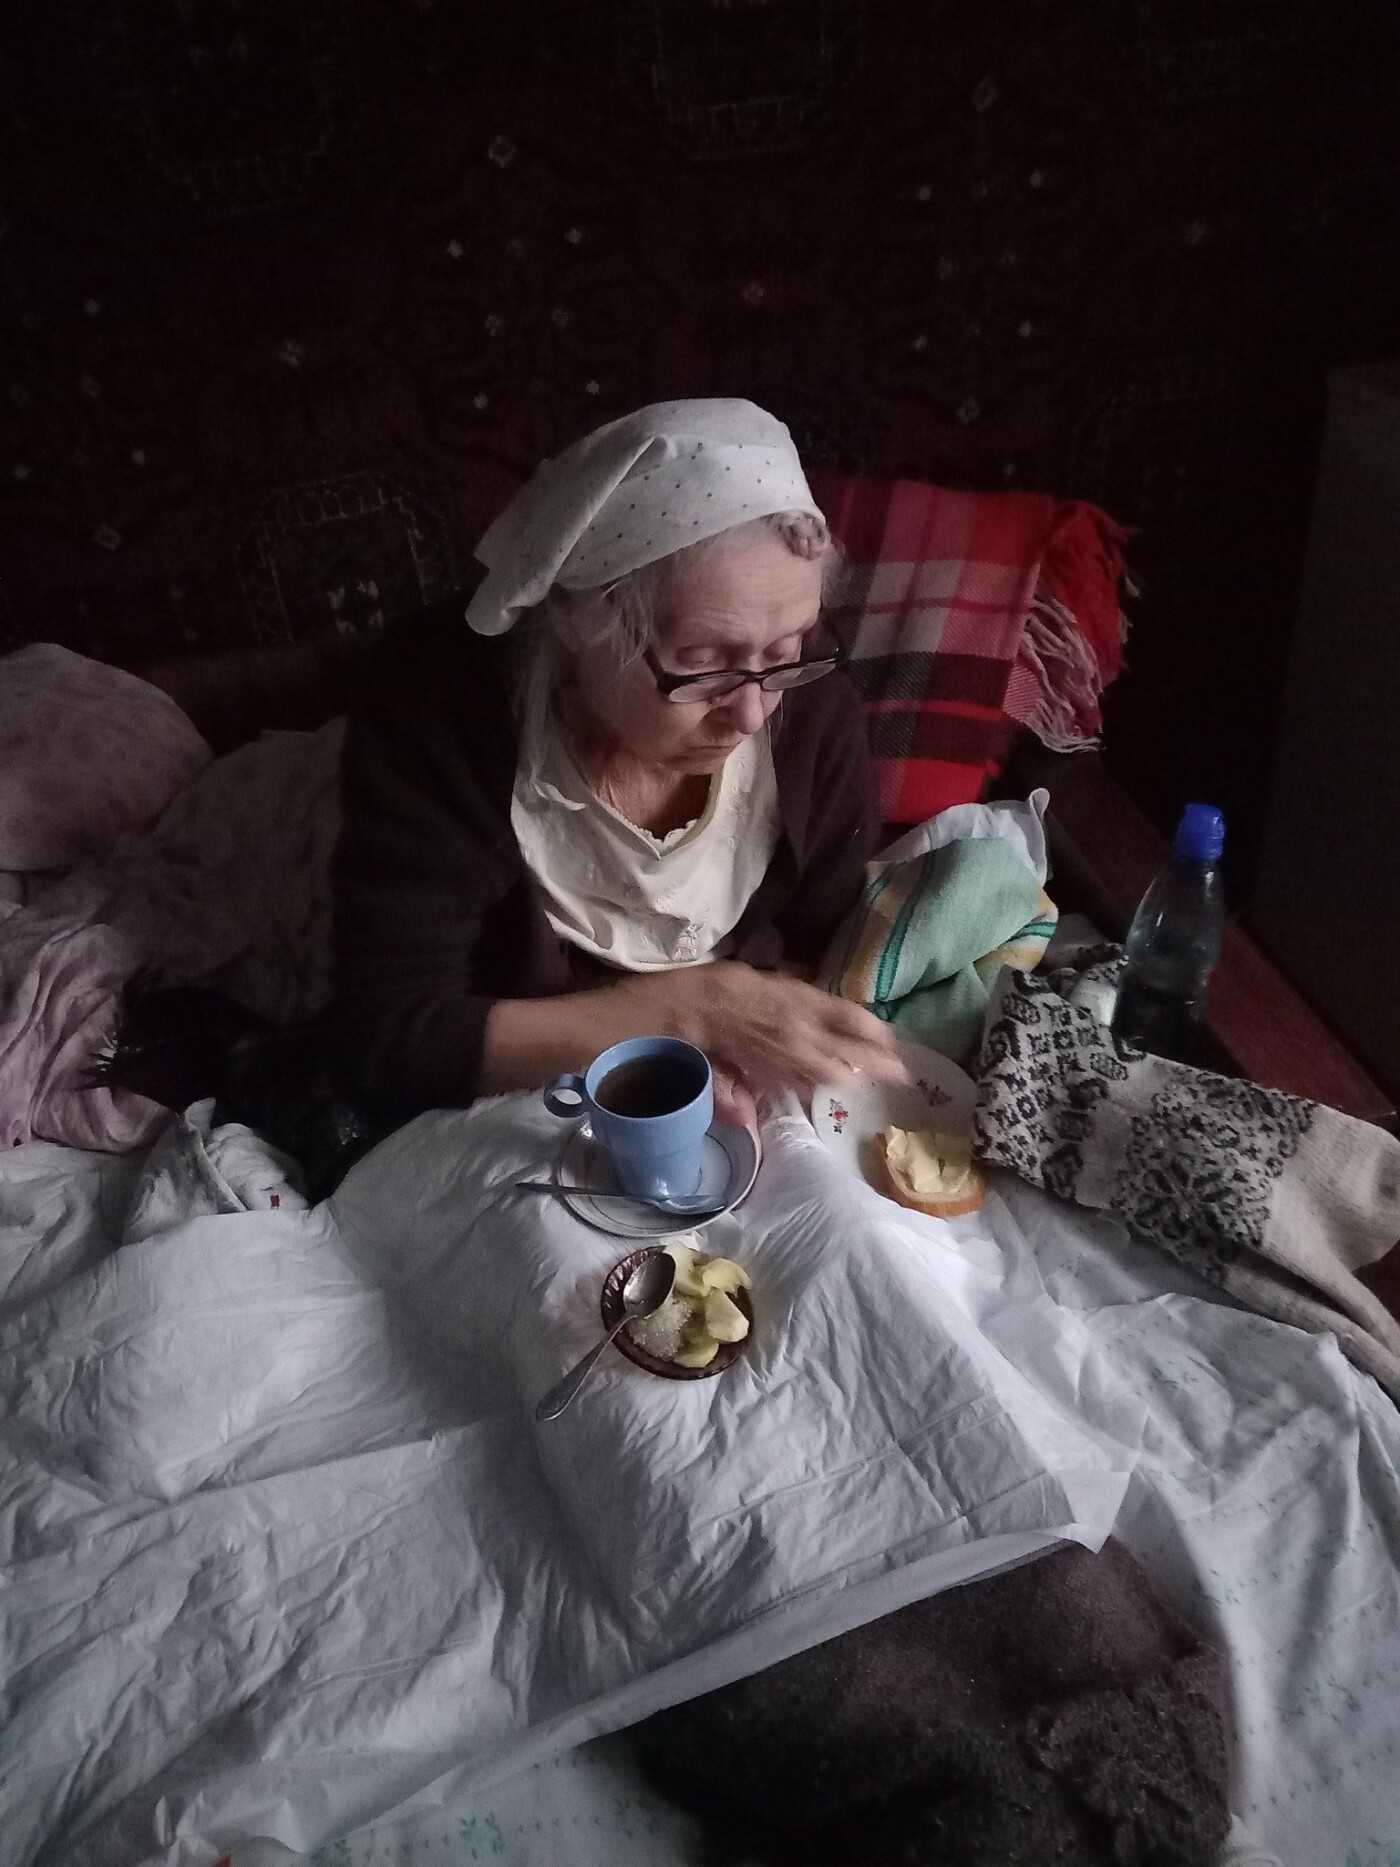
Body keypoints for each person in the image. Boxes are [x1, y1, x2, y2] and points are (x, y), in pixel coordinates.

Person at [332, 399, 907, 1127]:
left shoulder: (813, 717)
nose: (752, 714)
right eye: (704, 665)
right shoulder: (437, 711)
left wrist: (741, 1046)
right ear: (580, 625)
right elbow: (391, 1035)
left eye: (786, 651)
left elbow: (822, 942)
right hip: (509, 1103)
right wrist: (686, 1014)